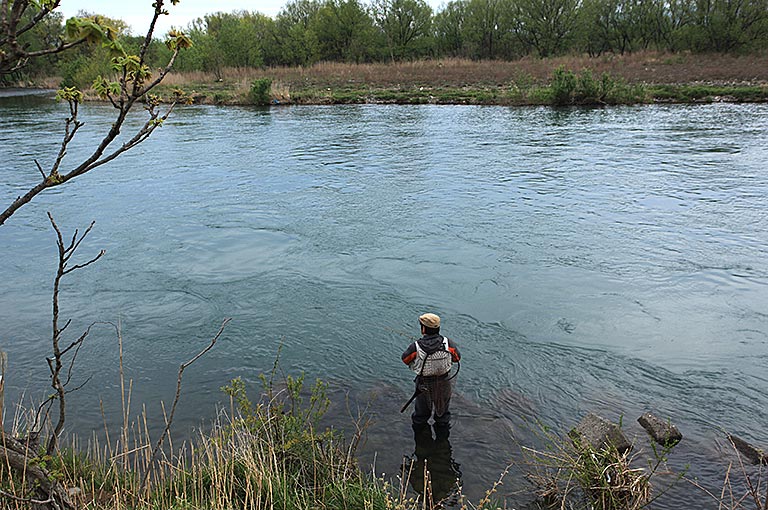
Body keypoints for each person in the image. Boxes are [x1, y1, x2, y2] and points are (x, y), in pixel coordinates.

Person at [401, 313, 461, 426]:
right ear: (438, 328)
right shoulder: (448, 343)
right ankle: (442, 438)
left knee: (421, 415)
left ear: (423, 329)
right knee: (442, 414)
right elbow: (457, 358)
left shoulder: (416, 346)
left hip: (424, 384)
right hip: (444, 381)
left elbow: (405, 359)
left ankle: (421, 437)